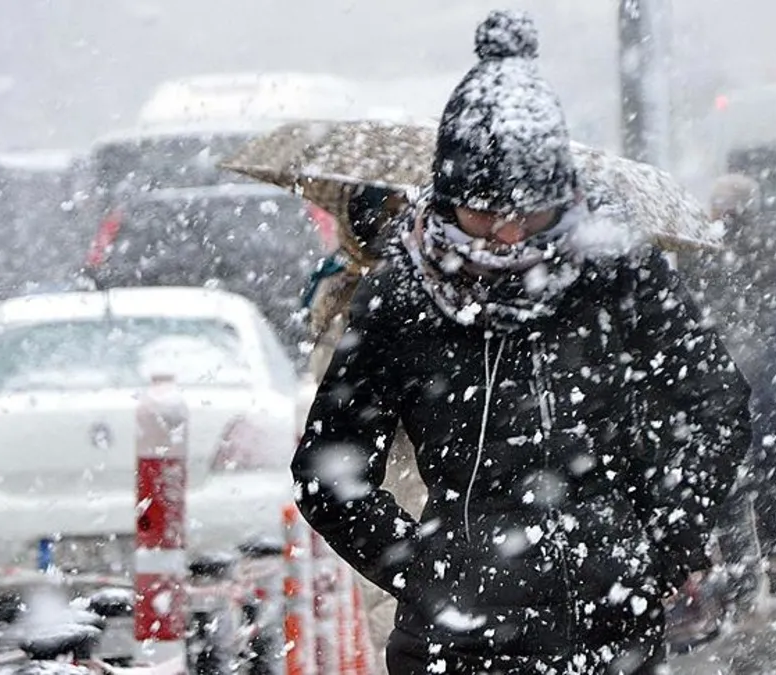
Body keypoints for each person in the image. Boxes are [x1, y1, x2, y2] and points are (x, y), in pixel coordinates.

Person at [291, 10, 752, 674]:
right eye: (484, 213)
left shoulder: (616, 272)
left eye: (528, 214)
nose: (507, 238)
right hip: (459, 643)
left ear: (563, 196)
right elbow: (326, 471)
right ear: (447, 200)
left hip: (611, 626)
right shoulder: (403, 295)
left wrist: (669, 535)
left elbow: (716, 400)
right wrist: (424, 570)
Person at [300, 183, 427, 675]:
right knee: (393, 613)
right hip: (388, 477)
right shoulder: (345, 288)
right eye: (380, 221)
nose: (389, 232)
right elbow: (332, 386)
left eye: (400, 219)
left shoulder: (410, 287)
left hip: (423, 470)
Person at [694, 174, 776, 614]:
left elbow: (695, 306)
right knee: (771, 471)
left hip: (721, 377)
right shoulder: (775, 245)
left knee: (732, 480)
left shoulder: (702, 249)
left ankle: (741, 576)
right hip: (768, 375)